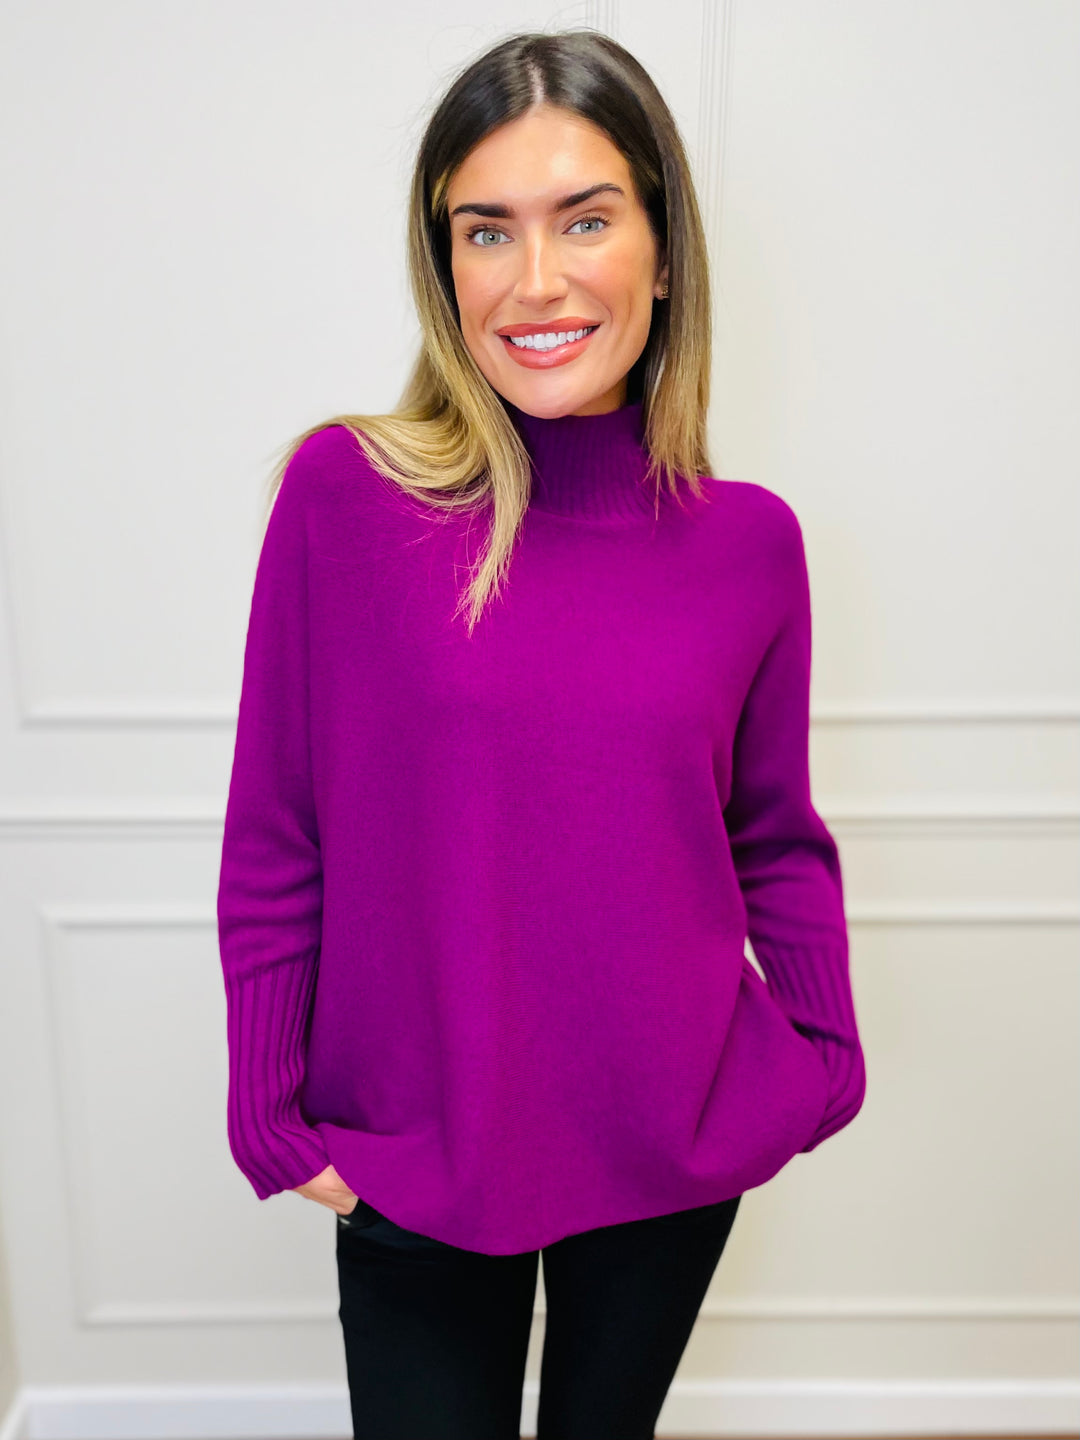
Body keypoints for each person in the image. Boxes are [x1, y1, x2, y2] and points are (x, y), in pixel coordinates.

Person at [216, 28, 867, 1440]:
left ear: (664, 252)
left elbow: (770, 831)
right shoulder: (348, 497)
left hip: (674, 1138)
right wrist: (267, 1105)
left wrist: (826, 1050)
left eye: (585, 219)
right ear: (443, 265)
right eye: (487, 230)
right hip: (418, 1140)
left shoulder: (750, 545)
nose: (536, 281)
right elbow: (279, 822)